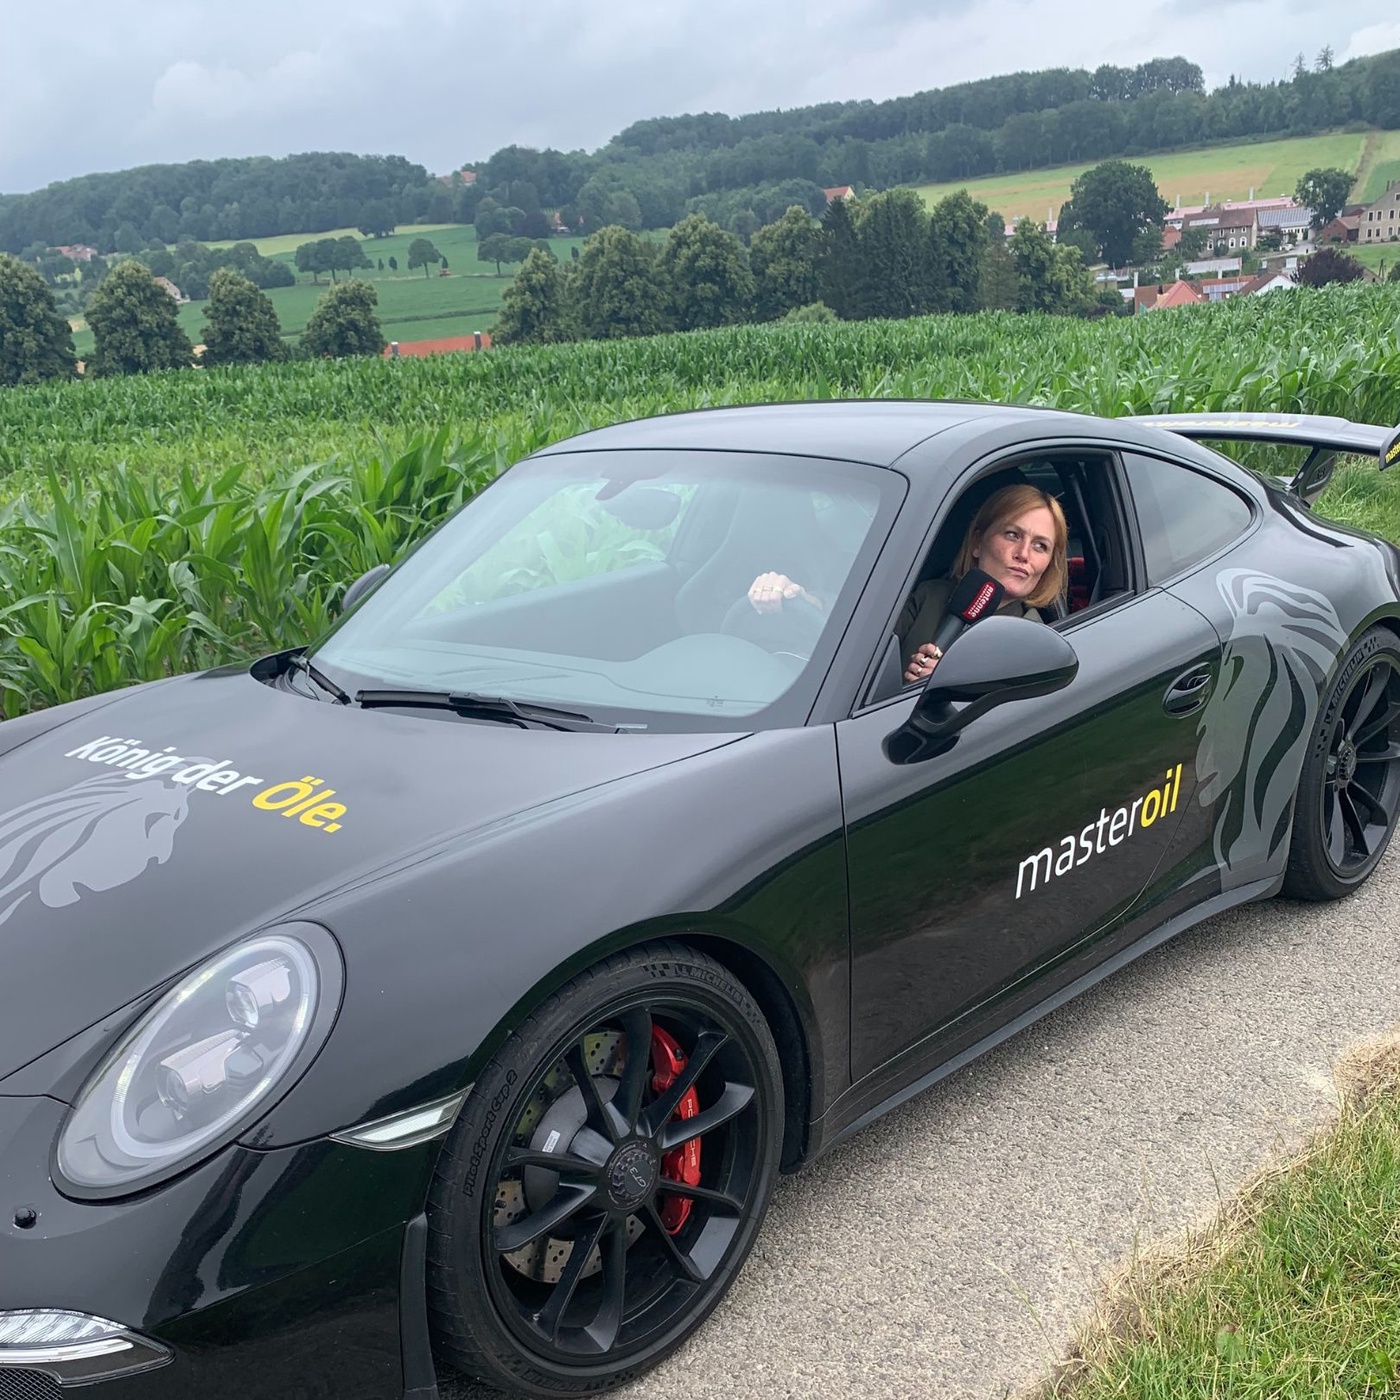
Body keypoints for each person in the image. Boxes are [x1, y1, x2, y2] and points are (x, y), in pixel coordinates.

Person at [900, 483, 1068, 684]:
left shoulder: (1036, 641)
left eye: (1040, 546)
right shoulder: (927, 596)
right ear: (978, 542)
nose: (1023, 554)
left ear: (1048, 564)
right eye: (1012, 535)